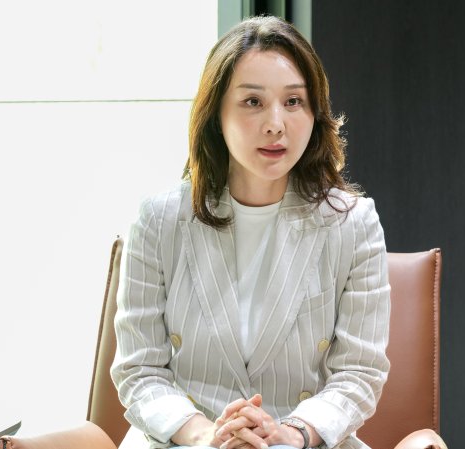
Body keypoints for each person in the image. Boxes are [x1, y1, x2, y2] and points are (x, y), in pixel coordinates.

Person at [111, 15, 390, 449]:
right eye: (253, 102)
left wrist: (290, 433)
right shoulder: (158, 220)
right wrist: (206, 434)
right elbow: (139, 370)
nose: (276, 123)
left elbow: (359, 372)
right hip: (184, 442)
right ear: (215, 114)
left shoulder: (353, 223)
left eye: (293, 101)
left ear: (314, 113)